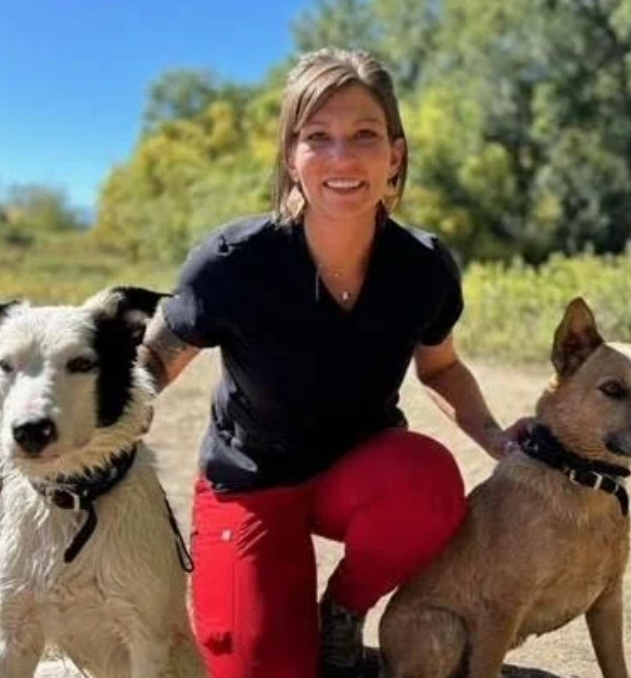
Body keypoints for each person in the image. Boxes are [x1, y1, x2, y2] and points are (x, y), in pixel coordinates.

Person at [140, 47, 526, 678]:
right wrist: (112, 415)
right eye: (318, 137)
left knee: (427, 482)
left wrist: (494, 435)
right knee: (262, 668)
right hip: (252, 483)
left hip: (360, 474)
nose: (342, 158)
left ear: (394, 155)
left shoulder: (422, 267)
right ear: (292, 157)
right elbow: (156, 358)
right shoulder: (233, 262)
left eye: (364, 135)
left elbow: (441, 369)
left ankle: (343, 612)